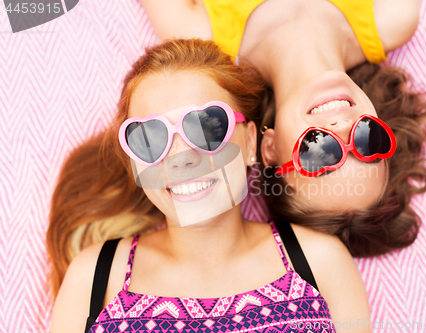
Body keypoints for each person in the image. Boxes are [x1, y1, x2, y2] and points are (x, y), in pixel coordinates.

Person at [48, 39, 372, 333]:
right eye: (150, 139)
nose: (181, 158)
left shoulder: (319, 262)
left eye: (206, 127)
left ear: (249, 142)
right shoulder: (93, 277)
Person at [138, 0, 426, 256]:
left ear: (269, 148)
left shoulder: (200, 41)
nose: (341, 125)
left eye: (319, 150)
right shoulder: (392, 19)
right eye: (367, 140)